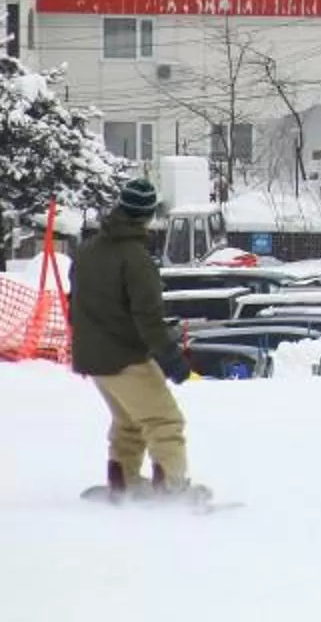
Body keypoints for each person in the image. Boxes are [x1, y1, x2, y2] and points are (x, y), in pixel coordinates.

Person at [69, 176, 193, 500]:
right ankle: (172, 488)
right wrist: (171, 358)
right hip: (125, 357)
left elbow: (75, 304)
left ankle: (122, 481)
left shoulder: (87, 251)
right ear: (149, 215)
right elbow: (147, 316)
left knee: (129, 421)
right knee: (164, 421)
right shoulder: (135, 258)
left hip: (93, 358)